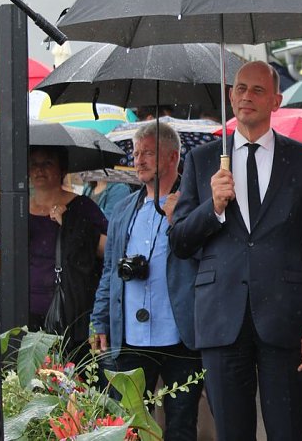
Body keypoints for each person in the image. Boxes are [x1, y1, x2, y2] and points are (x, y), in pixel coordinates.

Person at [169, 61, 302, 441]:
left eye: (258, 90)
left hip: (286, 319)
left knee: (289, 430)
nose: (246, 96)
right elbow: (179, 242)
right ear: (230, 96)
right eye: (240, 88)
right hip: (220, 318)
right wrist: (211, 206)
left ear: (276, 100)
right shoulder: (201, 160)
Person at [89, 121, 203, 440]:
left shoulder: (193, 205)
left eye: (148, 153)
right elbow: (110, 272)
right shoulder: (124, 208)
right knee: (129, 426)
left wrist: (179, 217)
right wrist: (99, 322)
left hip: (181, 337)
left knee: (181, 425)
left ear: (173, 158)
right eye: (136, 153)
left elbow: (206, 261)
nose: (138, 160)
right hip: (130, 337)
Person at [26, 146, 107, 348]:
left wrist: (70, 224)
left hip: (70, 313)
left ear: (62, 170)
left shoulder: (82, 206)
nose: (39, 169)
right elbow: (0, 260)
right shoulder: (19, 209)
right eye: (34, 164)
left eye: (47, 163)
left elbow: (108, 248)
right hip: (27, 314)